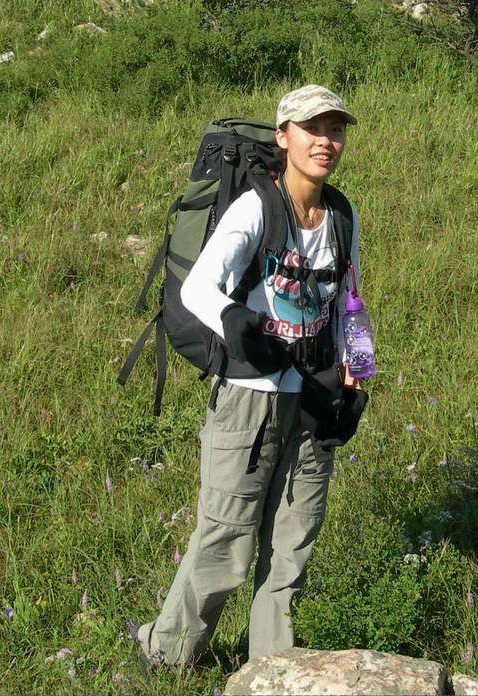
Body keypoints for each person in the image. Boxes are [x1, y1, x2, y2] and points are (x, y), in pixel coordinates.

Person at [131, 84, 364, 669]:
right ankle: (166, 655)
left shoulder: (341, 214)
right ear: (283, 137)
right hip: (249, 402)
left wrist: (355, 380)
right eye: (312, 128)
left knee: (291, 548)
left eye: (335, 129)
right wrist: (236, 321)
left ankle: (273, 671)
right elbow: (198, 288)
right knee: (226, 542)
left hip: (314, 399)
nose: (325, 141)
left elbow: (348, 303)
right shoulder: (257, 207)